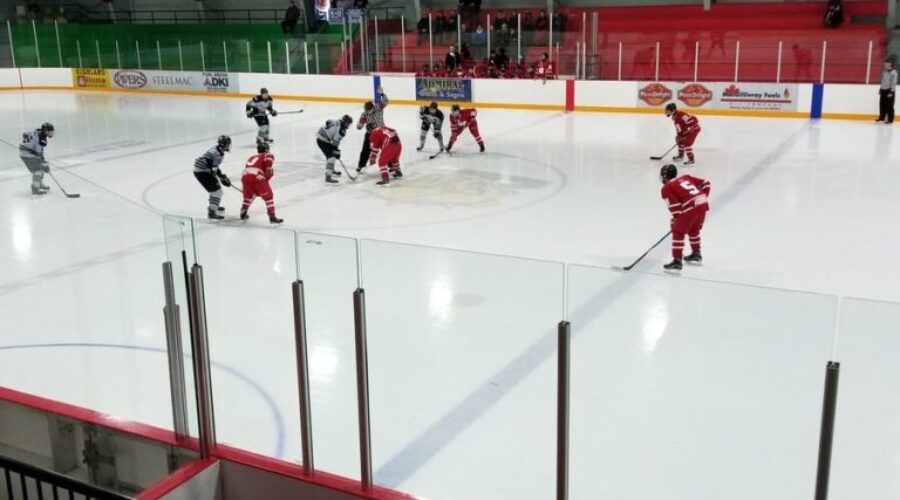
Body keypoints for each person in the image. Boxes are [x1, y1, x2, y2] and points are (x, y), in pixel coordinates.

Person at [659, 164, 710, 271]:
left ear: (664, 176)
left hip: (692, 207)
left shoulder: (666, 187)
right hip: (703, 204)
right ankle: (696, 253)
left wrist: (676, 221)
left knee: (678, 231)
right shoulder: (686, 177)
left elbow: (675, 209)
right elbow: (706, 183)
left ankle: (677, 260)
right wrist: (701, 197)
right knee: (693, 229)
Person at [240, 142, 283, 224]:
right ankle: (272, 216)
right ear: (266, 149)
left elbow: (248, 169)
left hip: (245, 176)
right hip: (257, 176)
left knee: (248, 196)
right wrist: (267, 177)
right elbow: (268, 169)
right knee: (268, 197)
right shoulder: (268, 155)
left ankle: (243, 212)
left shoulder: (252, 157)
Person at [193, 136, 233, 220]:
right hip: (202, 172)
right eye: (228, 144)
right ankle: (212, 211)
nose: (228, 146)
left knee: (214, 190)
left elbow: (213, 167)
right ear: (223, 144)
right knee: (217, 192)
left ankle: (214, 205)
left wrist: (221, 176)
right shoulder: (219, 154)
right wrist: (222, 179)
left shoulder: (216, 148)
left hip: (200, 170)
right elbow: (213, 170)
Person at [356, 87, 389, 172]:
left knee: (385, 150)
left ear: (372, 107)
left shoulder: (378, 108)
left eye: (369, 110)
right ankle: (361, 165)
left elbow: (386, 101)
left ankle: (391, 165)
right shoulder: (364, 113)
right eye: (366, 110)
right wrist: (359, 125)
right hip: (370, 134)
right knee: (365, 150)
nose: (367, 112)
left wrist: (382, 94)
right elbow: (360, 124)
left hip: (381, 133)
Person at [316, 114, 353, 184]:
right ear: (345, 122)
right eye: (348, 123)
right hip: (323, 140)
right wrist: (337, 153)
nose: (348, 126)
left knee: (331, 154)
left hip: (321, 138)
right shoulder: (342, 131)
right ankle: (328, 176)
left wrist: (336, 151)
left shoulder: (338, 121)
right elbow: (335, 144)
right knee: (332, 157)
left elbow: (328, 121)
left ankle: (331, 169)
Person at [19, 122, 54, 195]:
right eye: (50, 131)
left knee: (41, 166)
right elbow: (38, 154)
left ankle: (39, 183)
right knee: (38, 169)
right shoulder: (41, 140)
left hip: (26, 152)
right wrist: (44, 164)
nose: (51, 133)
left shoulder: (37, 130)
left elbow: (24, 134)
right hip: (27, 155)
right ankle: (35, 188)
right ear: (45, 131)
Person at [877, 59, 898, 124]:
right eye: (884, 63)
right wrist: (880, 89)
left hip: (889, 90)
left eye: (886, 63)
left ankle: (890, 119)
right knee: (882, 104)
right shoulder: (884, 72)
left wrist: (891, 92)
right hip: (883, 90)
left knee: (889, 106)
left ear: (890, 64)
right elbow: (883, 81)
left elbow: (893, 82)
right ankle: (881, 118)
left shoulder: (893, 72)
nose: (884, 64)